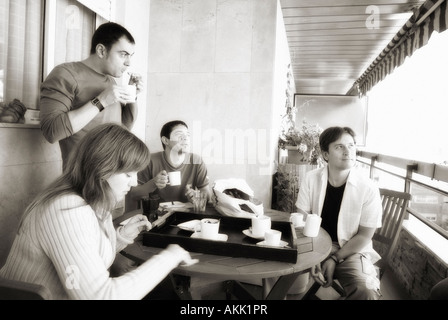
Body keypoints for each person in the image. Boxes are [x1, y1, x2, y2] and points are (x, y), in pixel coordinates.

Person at [0, 123, 198, 300]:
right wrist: (168, 258)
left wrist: (121, 237)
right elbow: (101, 296)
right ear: (102, 169)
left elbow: (84, 259)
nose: (133, 182)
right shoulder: (68, 210)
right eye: (128, 174)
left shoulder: (94, 203)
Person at [40, 22, 144, 170]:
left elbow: (122, 128)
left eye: (130, 56)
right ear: (101, 51)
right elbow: (52, 131)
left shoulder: (111, 81)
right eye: (123, 55)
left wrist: (133, 96)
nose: (129, 63)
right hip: (83, 180)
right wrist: (100, 101)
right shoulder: (66, 74)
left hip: (113, 173)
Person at [295, 126, 383, 300]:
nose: (347, 151)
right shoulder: (311, 178)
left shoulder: (368, 187)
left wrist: (334, 259)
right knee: (279, 265)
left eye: (351, 146)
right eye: (339, 147)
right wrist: (311, 256)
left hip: (351, 251)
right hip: (315, 244)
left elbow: (365, 236)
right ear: (325, 155)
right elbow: (302, 222)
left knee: (366, 289)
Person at [126, 120, 211, 211]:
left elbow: (208, 196)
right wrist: (153, 183)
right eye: (179, 135)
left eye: (188, 135)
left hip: (187, 214)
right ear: (166, 140)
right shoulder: (149, 161)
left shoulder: (196, 161)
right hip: (158, 215)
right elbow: (133, 195)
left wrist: (197, 196)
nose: (186, 138)